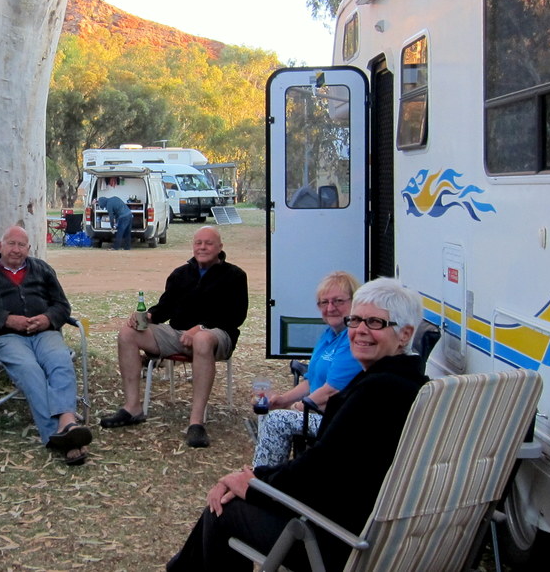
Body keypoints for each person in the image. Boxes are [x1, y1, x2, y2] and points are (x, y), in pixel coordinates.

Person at [165, 278, 428, 571]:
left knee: (224, 508)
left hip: (337, 539)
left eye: (376, 323)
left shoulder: (377, 392)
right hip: (379, 528)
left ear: (404, 334)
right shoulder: (415, 385)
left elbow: (315, 474)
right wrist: (256, 477)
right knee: (232, 495)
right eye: (356, 320)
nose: (360, 331)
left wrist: (252, 483)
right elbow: (331, 467)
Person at [101, 226, 248, 448]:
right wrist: (147, 315)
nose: (202, 247)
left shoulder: (235, 276)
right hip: (178, 334)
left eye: (208, 243)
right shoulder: (181, 274)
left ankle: (196, 423)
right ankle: (132, 407)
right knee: (127, 333)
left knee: (202, 339)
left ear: (220, 247)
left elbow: (235, 317)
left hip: (217, 335)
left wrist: (200, 328)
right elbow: (165, 307)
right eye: (198, 243)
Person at [0, 224, 93, 465]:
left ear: (28, 248)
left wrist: (47, 319)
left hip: (44, 332)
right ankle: (59, 435)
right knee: (30, 369)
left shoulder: (42, 269)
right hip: (4, 337)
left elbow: (62, 306)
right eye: (11, 243)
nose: (16, 249)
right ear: (0, 246)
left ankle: (67, 421)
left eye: (21, 245)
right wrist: (7, 320)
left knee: (59, 360)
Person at [252, 271, 362, 466]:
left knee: (277, 420)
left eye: (338, 301)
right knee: (268, 410)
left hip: (336, 420)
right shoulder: (329, 335)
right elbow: (311, 381)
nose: (330, 308)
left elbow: (331, 390)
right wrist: (282, 399)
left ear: (354, 302)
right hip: (317, 411)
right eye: (324, 302)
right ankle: (269, 472)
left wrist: (297, 407)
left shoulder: (353, 339)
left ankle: (265, 484)